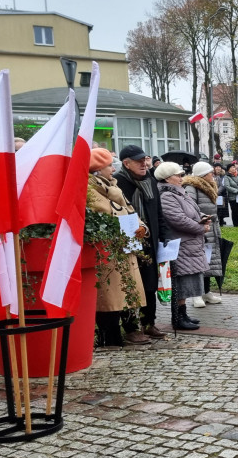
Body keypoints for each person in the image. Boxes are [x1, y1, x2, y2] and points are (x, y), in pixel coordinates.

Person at [88, 148, 148, 349]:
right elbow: (102, 219)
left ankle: (130, 328)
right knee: (109, 297)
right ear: (97, 170)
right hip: (108, 252)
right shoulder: (89, 190)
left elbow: (130, 212)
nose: (113, 169)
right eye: (108, 166)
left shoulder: (114, 188)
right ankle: (108, 336)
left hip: (126, 249)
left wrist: (141, 228)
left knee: (128, 291)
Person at [114, 144, 168, 342]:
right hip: (128, 242)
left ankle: (148, 323)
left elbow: (158, 213)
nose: (144, 164)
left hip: (150, 242)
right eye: (139, 161)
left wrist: (163, 237)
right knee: (130, 285)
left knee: (150, 285)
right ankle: (130, 328)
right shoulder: (118, 183)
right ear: (126, 163)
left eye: (145, 160)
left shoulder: (150, 181)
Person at [156, 162, 209, 331]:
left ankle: (183, 314)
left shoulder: (179, 192)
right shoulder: (166, 195)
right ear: (166, 178)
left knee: (186, 283)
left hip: (189, 245)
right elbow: (177, 219)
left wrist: (203, 217)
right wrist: (200, 227)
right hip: (180, 246)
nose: (181, 177)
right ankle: (177, 318)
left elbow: (194, 210)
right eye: (178, 175)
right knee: (180, 283)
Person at [183, 161, 225, 307]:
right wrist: (201, 225)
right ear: (202, 175)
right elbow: (190, 210)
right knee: (198, 263)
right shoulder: (192, 188)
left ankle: (206, 292)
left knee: (208, 263)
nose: (213, 175)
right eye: (209, 173)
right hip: (201, 230)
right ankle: (196, 295)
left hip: (211, 228)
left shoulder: (209, 186)